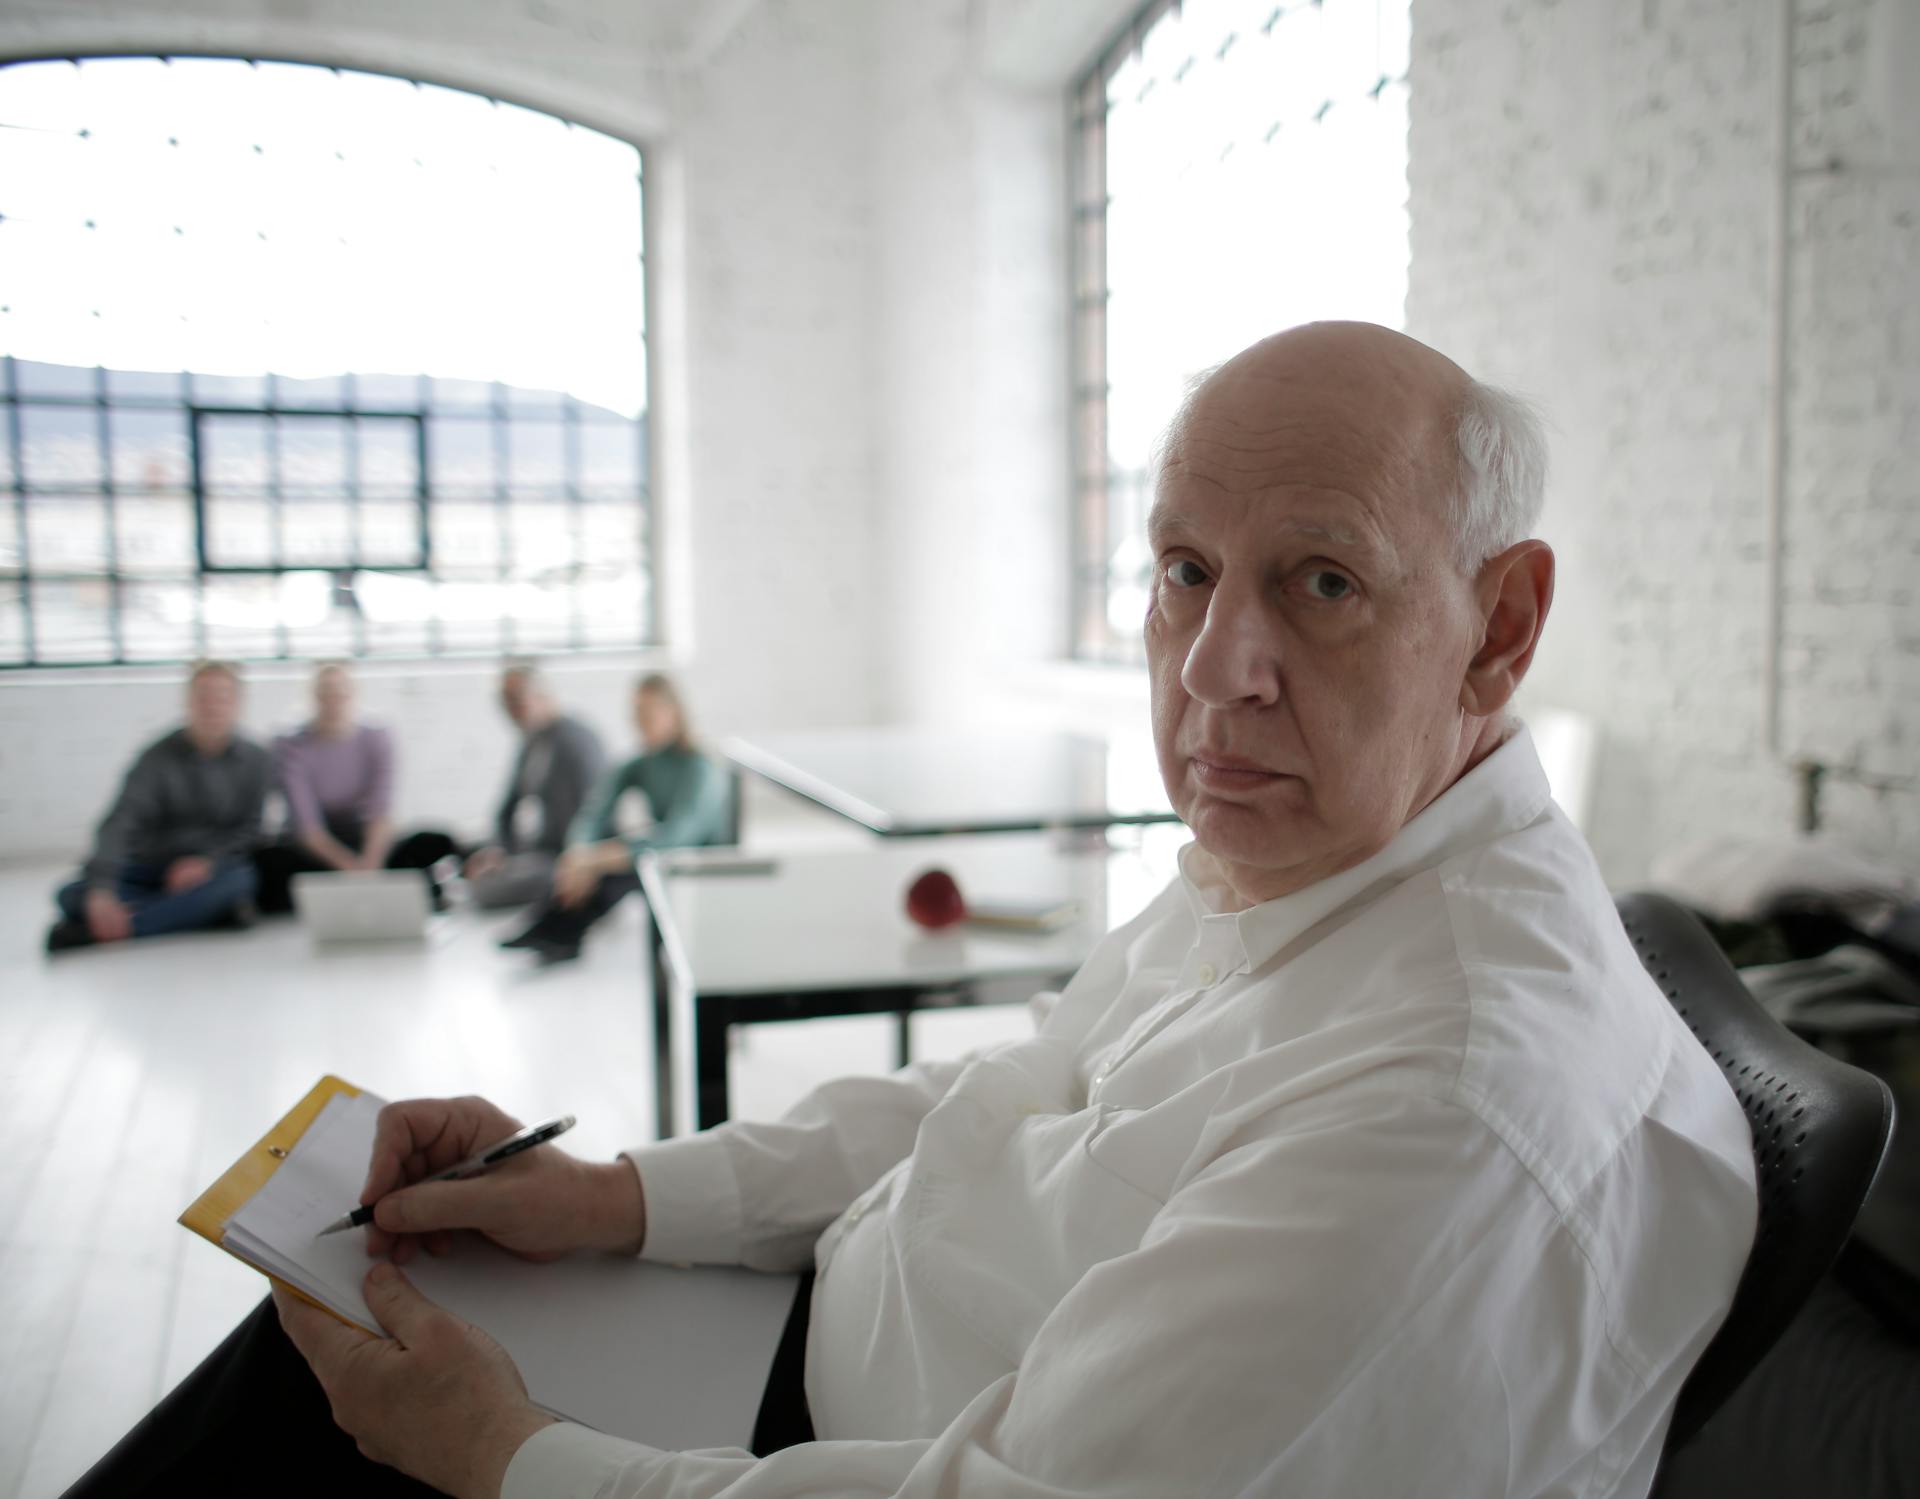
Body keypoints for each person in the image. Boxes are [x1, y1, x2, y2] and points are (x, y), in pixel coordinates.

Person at [66, 324, 1758, 1499]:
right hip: (809, 1357)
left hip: (835, 1438)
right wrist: (613, 1196)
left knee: (321, 1379)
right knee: (354, 1304)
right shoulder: (1326, 857)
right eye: (1185, 569)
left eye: (1321, 580)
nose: (1214, 673)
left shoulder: (1445, 1100)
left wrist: (503, 1453)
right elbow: (1003, 1099)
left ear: (1499, 623)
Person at [500, 673, 734, 962]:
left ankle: (561, 927)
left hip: (700, 863)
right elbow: (595, 809)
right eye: (637, 712)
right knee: (608, 858)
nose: (641, 721)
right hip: (662, 856)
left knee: (620, 868)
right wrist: (579, 852)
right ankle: (557, 926)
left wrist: (596, 858)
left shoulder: (701, 767)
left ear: (674, 711)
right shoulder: (643, 762)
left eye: (650, 712)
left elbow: (678, 837)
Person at [47, 660, 269, 953]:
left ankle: (118, 928)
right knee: (70, 895)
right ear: (188, 702)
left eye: (222, 697)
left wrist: (208, 862)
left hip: (208, 870)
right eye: (203, 697)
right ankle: (193, 916)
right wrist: (102, 891)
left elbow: (249, 829)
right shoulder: (155, 757)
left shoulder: (257, 759)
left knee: (240, 882)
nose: (212, 707)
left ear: (238, 704)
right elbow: (121, 820)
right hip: (149, 867)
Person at [251, 663, 462, 914]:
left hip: (366, 842)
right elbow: (307, 827)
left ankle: (366, 892)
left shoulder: (377, 736)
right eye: (325, 693)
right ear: (313, 698)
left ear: (353, 696)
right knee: (270, 861)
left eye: (340, 693)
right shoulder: (290, 744)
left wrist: (370, 865)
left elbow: (380, 812)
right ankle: (392, 891)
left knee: (436, 841)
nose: (333, 701)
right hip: (317, 848)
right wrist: (352, 869)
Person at [461, 661, 606, 910]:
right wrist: (499, 851)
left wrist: (579, 864)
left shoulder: (577, 742)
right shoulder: (530, 743)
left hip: (568, 855)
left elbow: (594, 815)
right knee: (468, 849)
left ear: (541, 694)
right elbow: (507, 809)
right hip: (537, 848)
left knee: (487, 889)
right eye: (505, 701)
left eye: (517, 699)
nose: (511, 709)